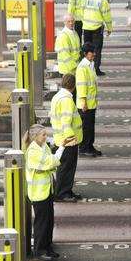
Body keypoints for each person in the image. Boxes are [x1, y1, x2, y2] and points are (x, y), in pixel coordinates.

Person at [23, 124, 73, 261]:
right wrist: (62, 147)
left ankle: (48, 246)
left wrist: (60, 147)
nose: (46, 137)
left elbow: (52, 160)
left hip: (47, 190)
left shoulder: (43, 146)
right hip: (38, 193)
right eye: (43, 134)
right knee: (41, 222)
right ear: (35, 137)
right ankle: (40, 250)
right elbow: (52, 162)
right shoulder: (33, 151)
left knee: (49, 220)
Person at [50, 74, 83, 202]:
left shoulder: (58, 96)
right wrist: (71, 139)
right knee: (67, 168)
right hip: (68, 140)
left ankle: (66, 190)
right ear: (73, 86)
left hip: (61, 139)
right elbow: (66, 122)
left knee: (64, 167)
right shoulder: (67, 100)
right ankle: (63, 193)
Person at [76, 43, 101, 157]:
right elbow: (82, 86)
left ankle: (90, 146)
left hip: (92, 103)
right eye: (92, 52)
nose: (94, 54)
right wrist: (83, 102)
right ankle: (84, 147)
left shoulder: (90, 65)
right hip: (85, 104)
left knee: (91, 126)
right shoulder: (82, 67)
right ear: (85, 54)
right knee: (86, 127)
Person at [82, 0, 112, 76]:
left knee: (87, 49)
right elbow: (107, 16)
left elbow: (81, 11)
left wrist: (85, 22)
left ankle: (86, 68)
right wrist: (109, 28)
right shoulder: (102, 0)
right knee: (97, 50)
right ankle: (95, 69)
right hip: (97, 28)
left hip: (86, 27)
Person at [55, 14, 81, 79]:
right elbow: (65, 55)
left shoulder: (74, 33)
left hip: (73, 67)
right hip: (67, 69)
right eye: (68, 21)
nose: (71, 23)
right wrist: (74, 66)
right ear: (64, 22)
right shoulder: (63, 35)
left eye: (72, 21)